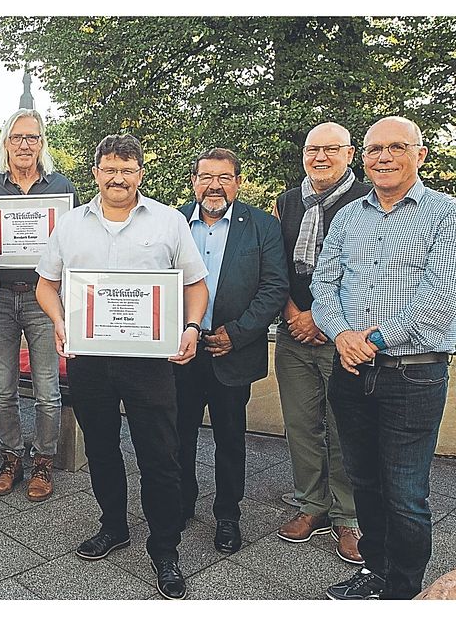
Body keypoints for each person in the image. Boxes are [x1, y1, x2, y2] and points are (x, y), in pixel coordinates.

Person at [36, 134, 209, 600]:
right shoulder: (70, 224)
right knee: (101, 448)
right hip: (90, 359)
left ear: (140, 173)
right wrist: (59, 321)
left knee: (160, 455)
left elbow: (195, 285)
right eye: (110, 169)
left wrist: (192, 326)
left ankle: (165, 549)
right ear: (95, 172)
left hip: (150, 362)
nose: (118, 178)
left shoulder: (170, 221)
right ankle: (113, 525)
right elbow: (46, 284)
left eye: (127, 170)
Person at [312, 116, 456, 600]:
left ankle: (404, 591)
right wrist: (341, 334)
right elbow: (323, 283)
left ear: (421, 154)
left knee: (406, 492)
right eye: (374, 149)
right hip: (351, 371)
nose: (384, 157)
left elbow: (440, 297)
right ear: (363, 157)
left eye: (396, 147)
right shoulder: (349, 216)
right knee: (365, 482)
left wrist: (369, 339)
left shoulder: (446, 215)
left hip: (412, 375)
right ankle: (375, 571)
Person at [174, 148, 288, 555]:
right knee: (178, 435)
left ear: (237, 182)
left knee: (230, 439)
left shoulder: (262, 226)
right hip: (182, 351)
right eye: (206, 176)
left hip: (232, 351)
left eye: (224, 177)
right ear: (194, 181)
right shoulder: (173, 222)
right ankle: (181, 504)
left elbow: (274, 287)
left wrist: (236, 334)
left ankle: (227, 515)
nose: (214, 185)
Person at [0, 109, 79, 502]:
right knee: (3, 388)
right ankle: (11, 458)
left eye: (32, 137)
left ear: (42, 143)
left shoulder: (62, 188)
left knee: (47, 390)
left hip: (42, 299)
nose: (24, 145)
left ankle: (43, 462)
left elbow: (74, 244)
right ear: (6, 142)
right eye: (17, 137)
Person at [273, 122, 369, 563]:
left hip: (344, 335)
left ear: (349, 154)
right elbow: (275, 265)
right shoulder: (287, 202)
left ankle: (348, 515)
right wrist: (294, 313)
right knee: (300, 424)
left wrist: (321, 318)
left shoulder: (368, 200)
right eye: (313, 149)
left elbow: (368, 271)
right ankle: (312, 505)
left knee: (344, 426)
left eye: (332, 149)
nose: (321, 157)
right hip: (293, 331)